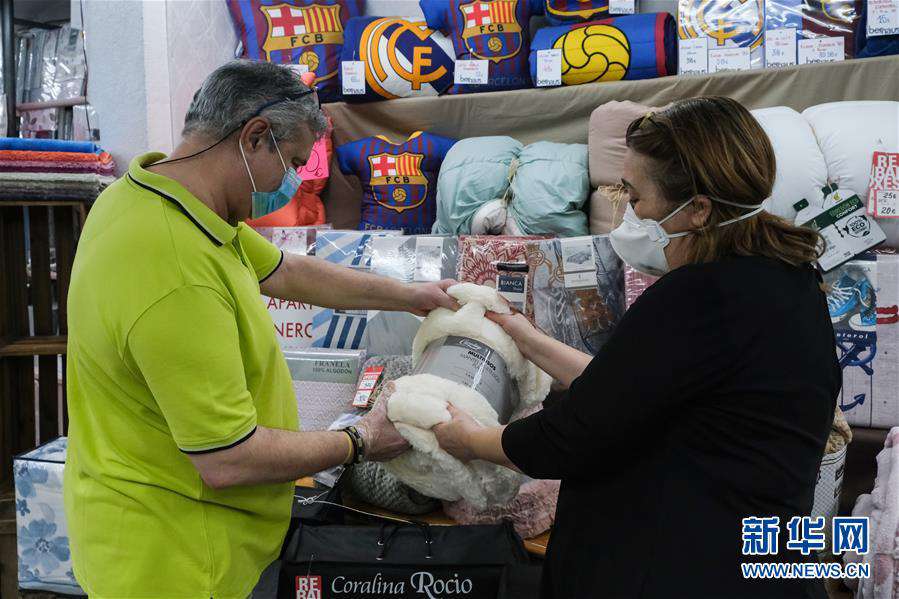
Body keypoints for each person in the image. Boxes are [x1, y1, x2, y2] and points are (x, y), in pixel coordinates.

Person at [63, 60, 454, 598]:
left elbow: (286, 271)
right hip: (176, 559)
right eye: (291, 162)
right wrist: (360, 440)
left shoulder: (152, 197)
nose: (292, 184)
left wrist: (411, 296)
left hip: (135, 517)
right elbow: (227, 459)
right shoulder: (176, 271)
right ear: (254, 137)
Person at [434, 96, 840, 598]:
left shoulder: (698, 295)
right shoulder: (788, 278)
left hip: (688, 569)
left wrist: (469, 439)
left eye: (635, 195)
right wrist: (523, 334)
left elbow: (572, 435)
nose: (629, 211)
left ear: (698, 210)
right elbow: (631, 388)